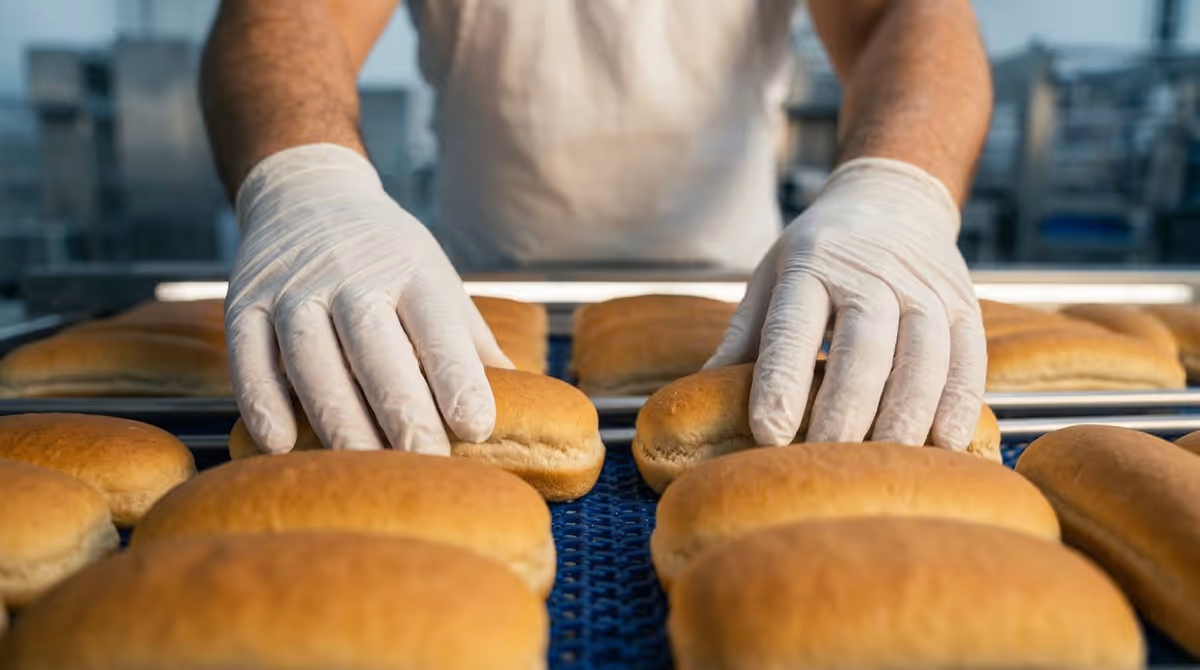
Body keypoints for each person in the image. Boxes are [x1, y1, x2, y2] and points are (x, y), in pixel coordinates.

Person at [202, 0, 992, 458]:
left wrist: (897, 187)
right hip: (451, 297)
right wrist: (305, 180)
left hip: (747, 305)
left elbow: (902, 13)